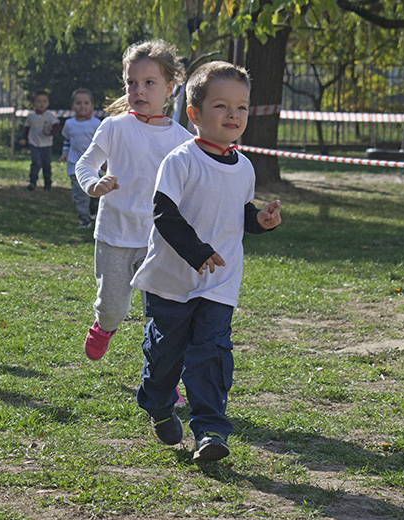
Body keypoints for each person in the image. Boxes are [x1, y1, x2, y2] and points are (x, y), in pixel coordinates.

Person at [130, 61, 282, 462]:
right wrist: (196, 252)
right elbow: (165, 215)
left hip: (220, 282)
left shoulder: (245, 166)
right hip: (171, 280)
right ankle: (158, 402)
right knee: (166, 356)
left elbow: (237, 210)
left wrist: (259, 221)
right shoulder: (179, 161)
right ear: (194, 114)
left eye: (242, 107)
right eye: (221, 106)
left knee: (211, 352)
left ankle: (210, 430)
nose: (233, 115)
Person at [75, 40, 193, 362]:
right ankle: (104, 326)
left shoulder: (183, 141)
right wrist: (93, 184)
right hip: (115, 237)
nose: (138, 90)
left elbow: (198, 183)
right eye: (131, 83)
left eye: (149, 83)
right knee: (113, 309)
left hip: (160, 242)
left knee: (162, 318)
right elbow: (85, 164)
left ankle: (163, 380)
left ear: (170, 88)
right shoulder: (114, 127)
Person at [58, 88, 102, 228]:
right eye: (78, 103)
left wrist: (105, 162)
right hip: (74, 165)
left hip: (95, 165)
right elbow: (67, 141)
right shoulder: (69, 124)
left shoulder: (96, 124)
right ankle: (84, 218)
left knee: (95, 192)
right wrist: (64, 154)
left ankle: (93, 209)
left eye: (86, 103)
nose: (82, 106)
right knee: (79, 194)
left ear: (92, 106)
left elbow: (102, 145)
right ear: (72, 106)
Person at [20, 91, 60, 191]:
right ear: (33, 103)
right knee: (36, 163)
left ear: (48, 103)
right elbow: (27, 129)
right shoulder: (31, 116)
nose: (41, 104)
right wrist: (24, 138)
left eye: (44, 101)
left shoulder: (50, 116)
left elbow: (56, 127)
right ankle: (32, 182)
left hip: (46, 145)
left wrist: (50, 132)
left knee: (46, 164)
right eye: (38, 101)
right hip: (34, 143)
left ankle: (47, 183)